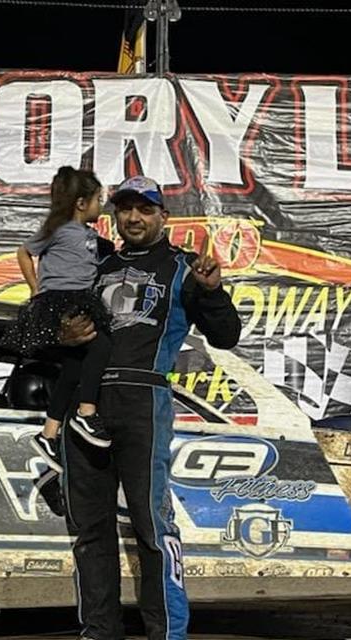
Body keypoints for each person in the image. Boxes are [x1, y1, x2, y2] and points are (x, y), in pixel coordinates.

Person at [59, 175, 242, 640]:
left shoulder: (184, 267)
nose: (134, 217)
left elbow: (226, 336)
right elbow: (55, 331)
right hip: (86, 403)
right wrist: (62, 335)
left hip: (144, 398)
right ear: (114, 214)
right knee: (89, 529)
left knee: (151, 524)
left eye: (145, 209)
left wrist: (213, 293)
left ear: (165, 217)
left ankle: (167, 634)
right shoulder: (93, 264)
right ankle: (99, 631)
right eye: (125, 209)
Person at [1, 166, 115, 473]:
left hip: (80, 298)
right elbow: (24, 252)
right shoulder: (58, 228)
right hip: (62, 300)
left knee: (74, 367)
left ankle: (48, 433)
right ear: (81, 203)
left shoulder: (89, 235)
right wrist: (36, 289)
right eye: (97, 199)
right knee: (101, 345)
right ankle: (86, 412)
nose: (100, 205)